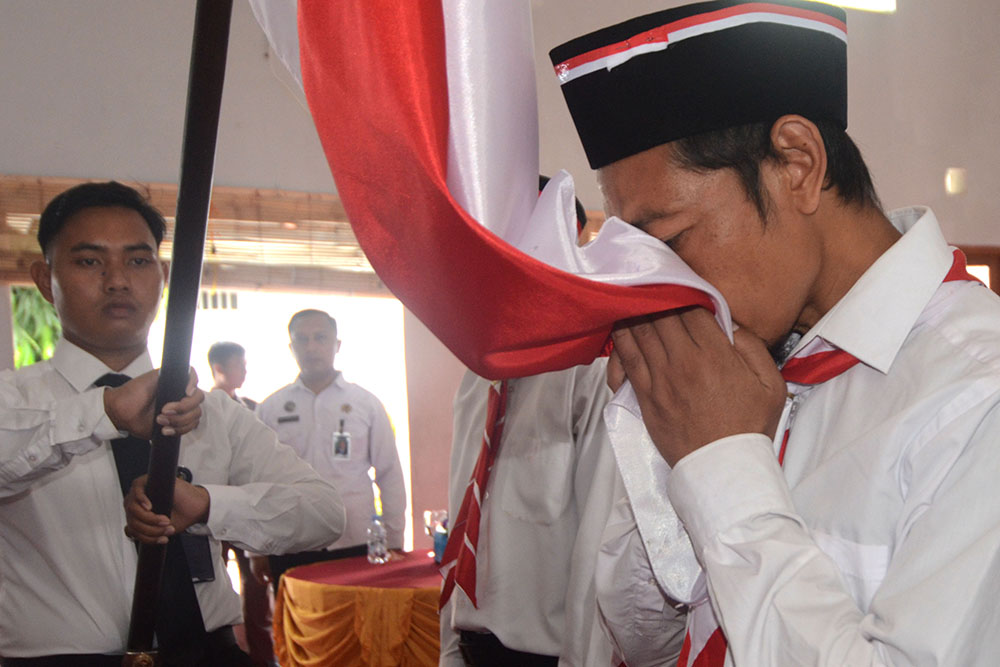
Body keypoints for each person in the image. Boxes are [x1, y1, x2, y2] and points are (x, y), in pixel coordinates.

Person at [549, 0, 1000, 664]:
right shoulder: (750, 347)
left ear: (797, 163)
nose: (662, 285)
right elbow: (648, 642)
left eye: (671, 241)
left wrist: (723, 461)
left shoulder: (977, 397)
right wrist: (666, 438)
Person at [0, 181, 346, 666]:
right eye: (89, 261)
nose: (117, 280)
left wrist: (208, 505)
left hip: (210, 655)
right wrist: (104, 411)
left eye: (138, 261)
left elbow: (324, 513)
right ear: (44, 279)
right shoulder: (14, 401)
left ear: (163, 276)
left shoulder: (212, 411)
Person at [438, 192, 618, 667]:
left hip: (549, 653)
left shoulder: (591, 366)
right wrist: (449, 647)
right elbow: (462, 504)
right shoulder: (479, 370)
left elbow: (599, 543)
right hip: (473, 641)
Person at [256, 309, 406, 588]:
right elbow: (255, 478)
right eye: (302, 339)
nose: (311, 347)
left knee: (358, 615)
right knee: (297, 616)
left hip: (354, 540)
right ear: (291, 347)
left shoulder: (366, 404)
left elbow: (389, 473)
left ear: (337, 345)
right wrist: (256, 548)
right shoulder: (271, 408)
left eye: (320, 338)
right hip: (290, 541)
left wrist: (394, 538)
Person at [207, 341, 276, 667]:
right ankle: (221, 649)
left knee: (256, 585)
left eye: (245, 364)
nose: (245, 371)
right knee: (213, 583)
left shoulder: (252, 408)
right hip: (210, 509)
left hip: (247, 508)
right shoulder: (199, 409)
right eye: (239, 365)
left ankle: (262, 658)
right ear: (219, 368)